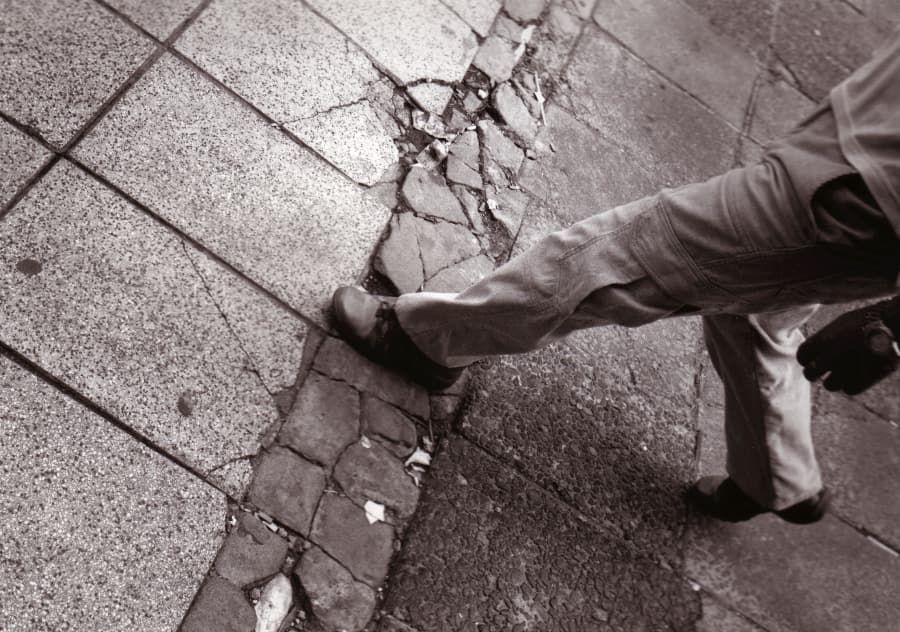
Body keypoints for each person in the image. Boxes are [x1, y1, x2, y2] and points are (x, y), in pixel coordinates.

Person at [332, 28, 900, 525]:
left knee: (612, 256)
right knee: (756, 311)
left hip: (861, 198)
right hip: (859, 145)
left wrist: (894, 326)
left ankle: (426, 342)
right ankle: (778, 475)